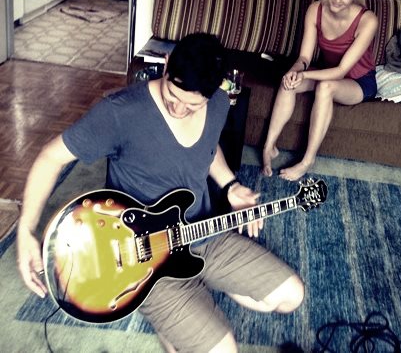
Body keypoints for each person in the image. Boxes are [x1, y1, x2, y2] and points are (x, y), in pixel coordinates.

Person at [16, 33, 304, 353]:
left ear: (213, 92)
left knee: (291, 297)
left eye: (192, 106)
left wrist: (230, 185)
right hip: (143, 259)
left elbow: (208, 149)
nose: (178, 109)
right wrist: (26, 230)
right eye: (172, 95)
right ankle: (167, 308)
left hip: (203, 232)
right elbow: (50, 157)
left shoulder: (220, 104)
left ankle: (199, 283)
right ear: (166, 65)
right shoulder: (120, 112)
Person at [262, 0, 378, 181]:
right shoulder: (315, 9)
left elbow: (341, 70)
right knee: (289, 81)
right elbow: (304, 57)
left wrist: (304, 74)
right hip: (326, 72)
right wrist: (295, 71)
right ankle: (269, 147)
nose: (338, 0)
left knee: (325, 87)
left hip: (358, 82)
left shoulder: (368, 20)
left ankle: (307, 161)